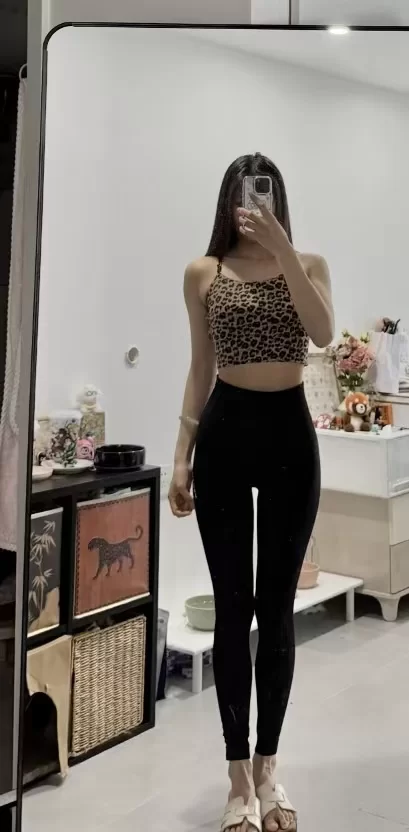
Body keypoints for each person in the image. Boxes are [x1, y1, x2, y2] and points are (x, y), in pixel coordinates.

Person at [168, 153, 334, 832]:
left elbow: (321, 334)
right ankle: (237, 775)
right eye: (243, 192)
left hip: (290, 435)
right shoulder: (202, 273)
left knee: (277, 609)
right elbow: (200, 367)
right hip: (226, 435)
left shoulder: (308, 264)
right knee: (233, 608)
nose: (252, 202)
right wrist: (180, 457)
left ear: (276, 199)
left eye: (262, 192)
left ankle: (269, 766)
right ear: (227, 198)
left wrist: (282, 249)